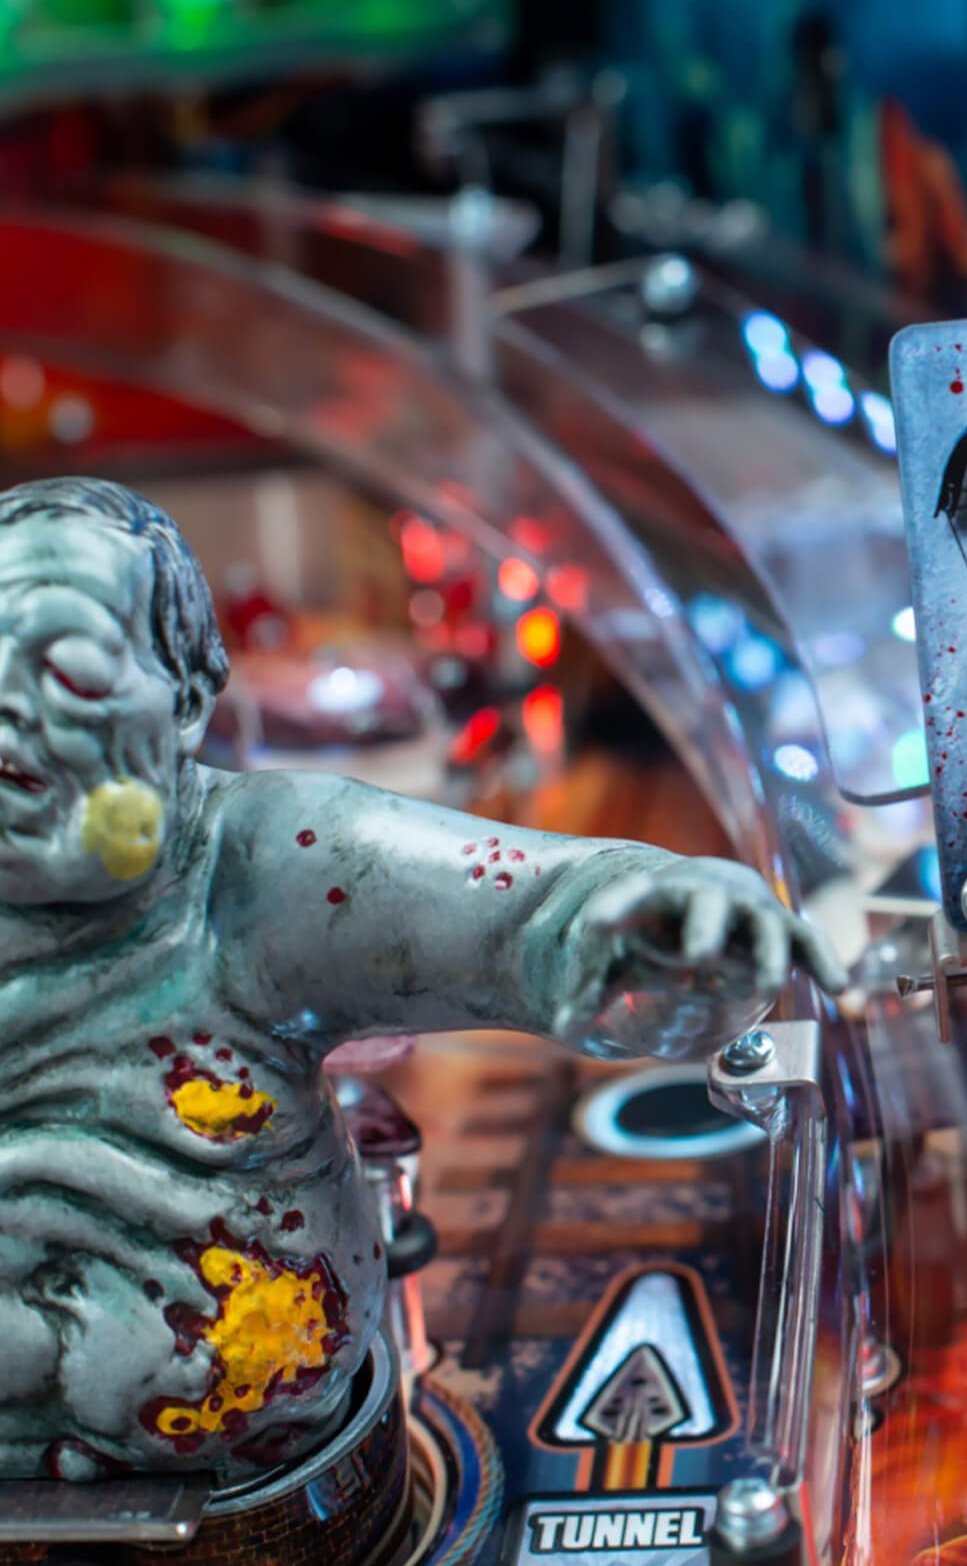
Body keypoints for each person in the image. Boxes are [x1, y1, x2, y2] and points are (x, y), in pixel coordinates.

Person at [0, 477, 844, 1482]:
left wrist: (672, 921)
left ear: (186, 698)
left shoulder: (263, 867)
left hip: (256, 1450)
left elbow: (545, 913)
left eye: (69, 673)